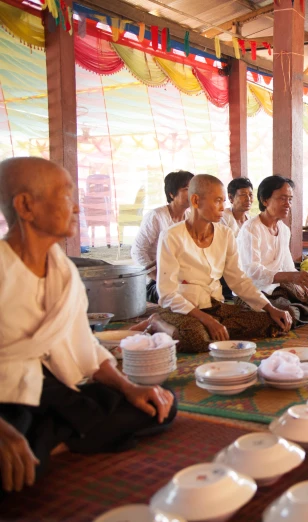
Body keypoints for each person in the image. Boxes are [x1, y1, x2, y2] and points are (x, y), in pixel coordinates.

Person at [0, 157, 176, 494]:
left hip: (53, 390)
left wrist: (129, 387)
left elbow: (84, 348)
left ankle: (48, 438)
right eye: (64, 195)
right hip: (8, 395)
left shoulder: (63, 270)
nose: (77, 207)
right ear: (25, 205)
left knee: (161, 405)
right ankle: (47, 438)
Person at [155, 175, 292, 353]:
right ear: (196, 200)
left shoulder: (225, 234)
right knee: (195, 338)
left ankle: (212, 329)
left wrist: (270, 307)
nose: (223, 207)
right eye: (218, 201)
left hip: (215, 306)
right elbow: (167, 294)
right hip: (181, 310)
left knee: (272, 322)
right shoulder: (171, 236)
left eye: (223, 201)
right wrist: (207, 320)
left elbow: (239, 280)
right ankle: (157, 323)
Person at [237, 176, 308, 323]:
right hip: (256, 292)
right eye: (282, 199)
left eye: (289, 199)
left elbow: (289, 268)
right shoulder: (250, 229)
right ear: (265, 200)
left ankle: (297, 312)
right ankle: (294, 312)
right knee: (287, 312)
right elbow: (253, 272)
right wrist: (291, 277)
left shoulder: (283, 230)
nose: (287, 204)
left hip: (282, 290)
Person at [131, 170, 194, 303]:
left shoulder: (190, 218)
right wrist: (156, 276)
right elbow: (138, 250)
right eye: (186, 189)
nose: (192, 193)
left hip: (181, 279)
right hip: (154, 283)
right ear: (171, 194)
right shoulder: (156, 216)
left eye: (193, 189)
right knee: (184, 298)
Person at [218, 177, 254, 301]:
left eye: (250, 194)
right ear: (231, 198)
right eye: (243, 195)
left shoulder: (250, 221)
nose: (248, 199)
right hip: (227, 269)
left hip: (245, 266)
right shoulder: (223, 218)